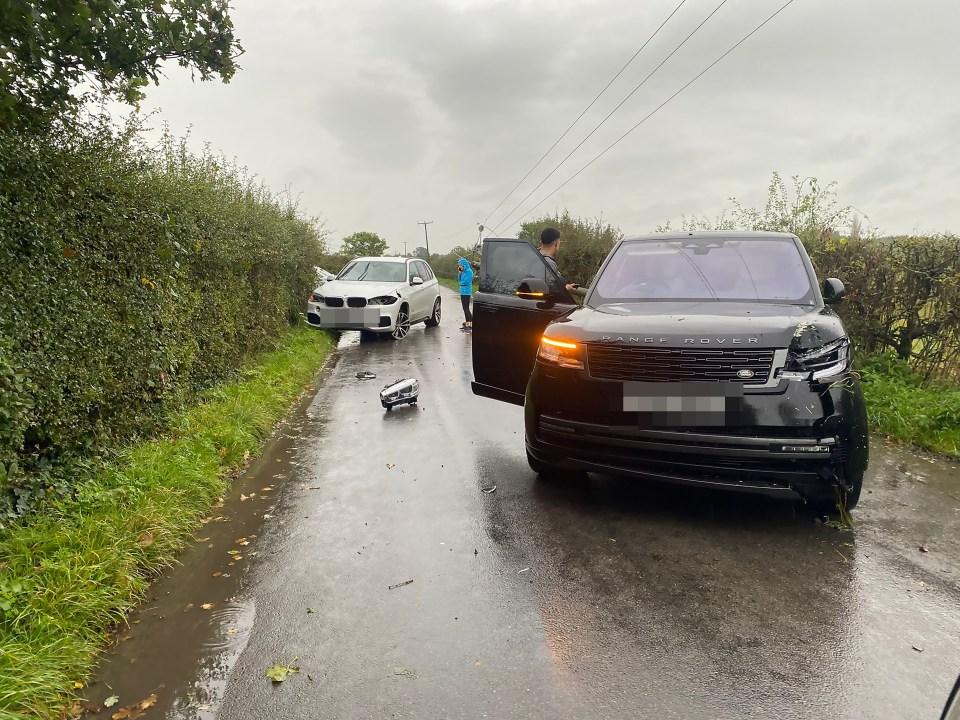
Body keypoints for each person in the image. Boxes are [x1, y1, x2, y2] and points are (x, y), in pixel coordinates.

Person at [538, 227, 587, 301]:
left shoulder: (535, 257)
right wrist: (566, 289)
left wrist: (566, 286)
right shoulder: (548, 263)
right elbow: (547, 290)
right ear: (556, 243)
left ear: (541, 242)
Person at [457, 256, 474, 331]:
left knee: (466, 308)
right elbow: (459, 279)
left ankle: (470, 325)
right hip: (462, 292)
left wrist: (460, 283)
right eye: (459, 265)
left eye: (460, 265)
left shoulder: (469, 271)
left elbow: (466, 282)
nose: (460, 266)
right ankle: (468, 324)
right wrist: (459, 272)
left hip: (466, 292)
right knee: (465, 308)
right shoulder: (463, 272)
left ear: (464, 264)